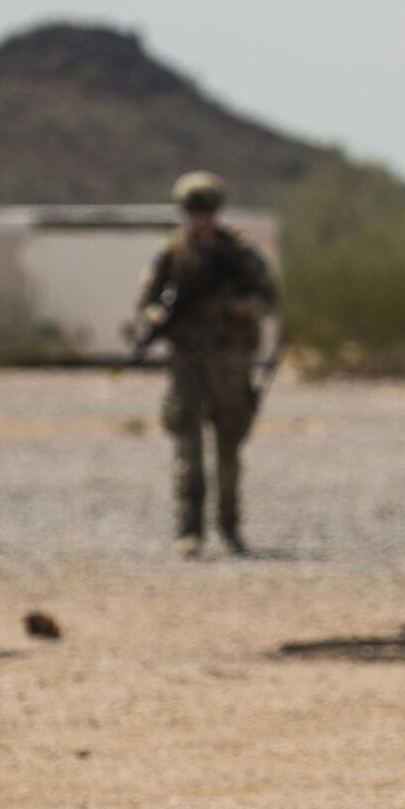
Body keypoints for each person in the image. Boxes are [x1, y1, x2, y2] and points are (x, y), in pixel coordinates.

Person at [132, 171, 277, 556]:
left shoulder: (238, 254)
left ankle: (229, 528)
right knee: (187, 447)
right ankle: (189, 530)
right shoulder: (172, 254)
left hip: (230, 359)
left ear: (217, 211)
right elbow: (146, 300)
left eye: (206, 210)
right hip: (188, 361)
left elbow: (270, 298)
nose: (199, 218)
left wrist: (246, 307)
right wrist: (155, 317)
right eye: (193, 211)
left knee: (228, 446)